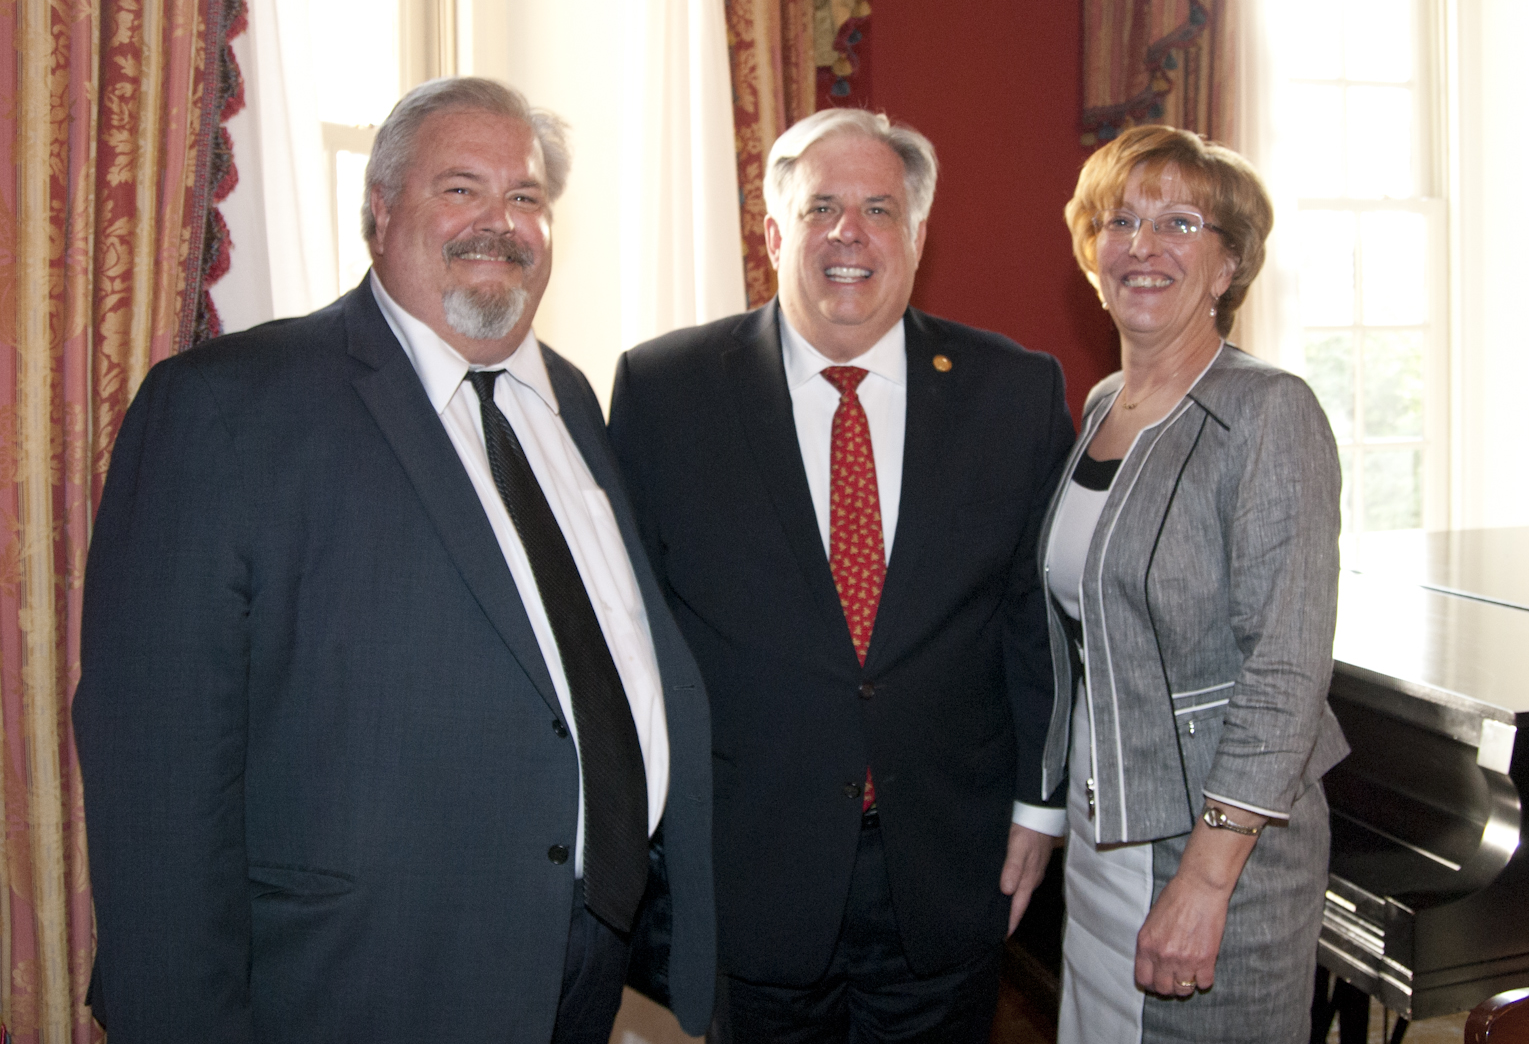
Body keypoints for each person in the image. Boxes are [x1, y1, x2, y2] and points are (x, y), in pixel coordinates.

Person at [73, 77, 714, 1044]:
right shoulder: (227, 408)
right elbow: (157, 773)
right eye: (460, 188)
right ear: (378, 213)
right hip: (356, 985)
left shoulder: (570, 400)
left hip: (580, 972)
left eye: (526, 197)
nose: (500, 223)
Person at [608, 108, 1076, 1041]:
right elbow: (633, 633)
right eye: (821, 207)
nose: (848, 234)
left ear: (916, 234)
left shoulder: (1013, 391)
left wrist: (1041, 803)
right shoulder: (665, 392)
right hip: (748, 864)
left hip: (949, 860)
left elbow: (1038, 623)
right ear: (774, 232)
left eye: (878, 208)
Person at [1040, 123, 1349, 1043]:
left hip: (1220, 853)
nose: (1142, 246)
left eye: (1179, 223)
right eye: (1119, 221)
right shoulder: (1103, 403)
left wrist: (1206, 880)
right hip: (1105, 837)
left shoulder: (1267, 413)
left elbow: (1285, 673)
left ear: (1228, 266)